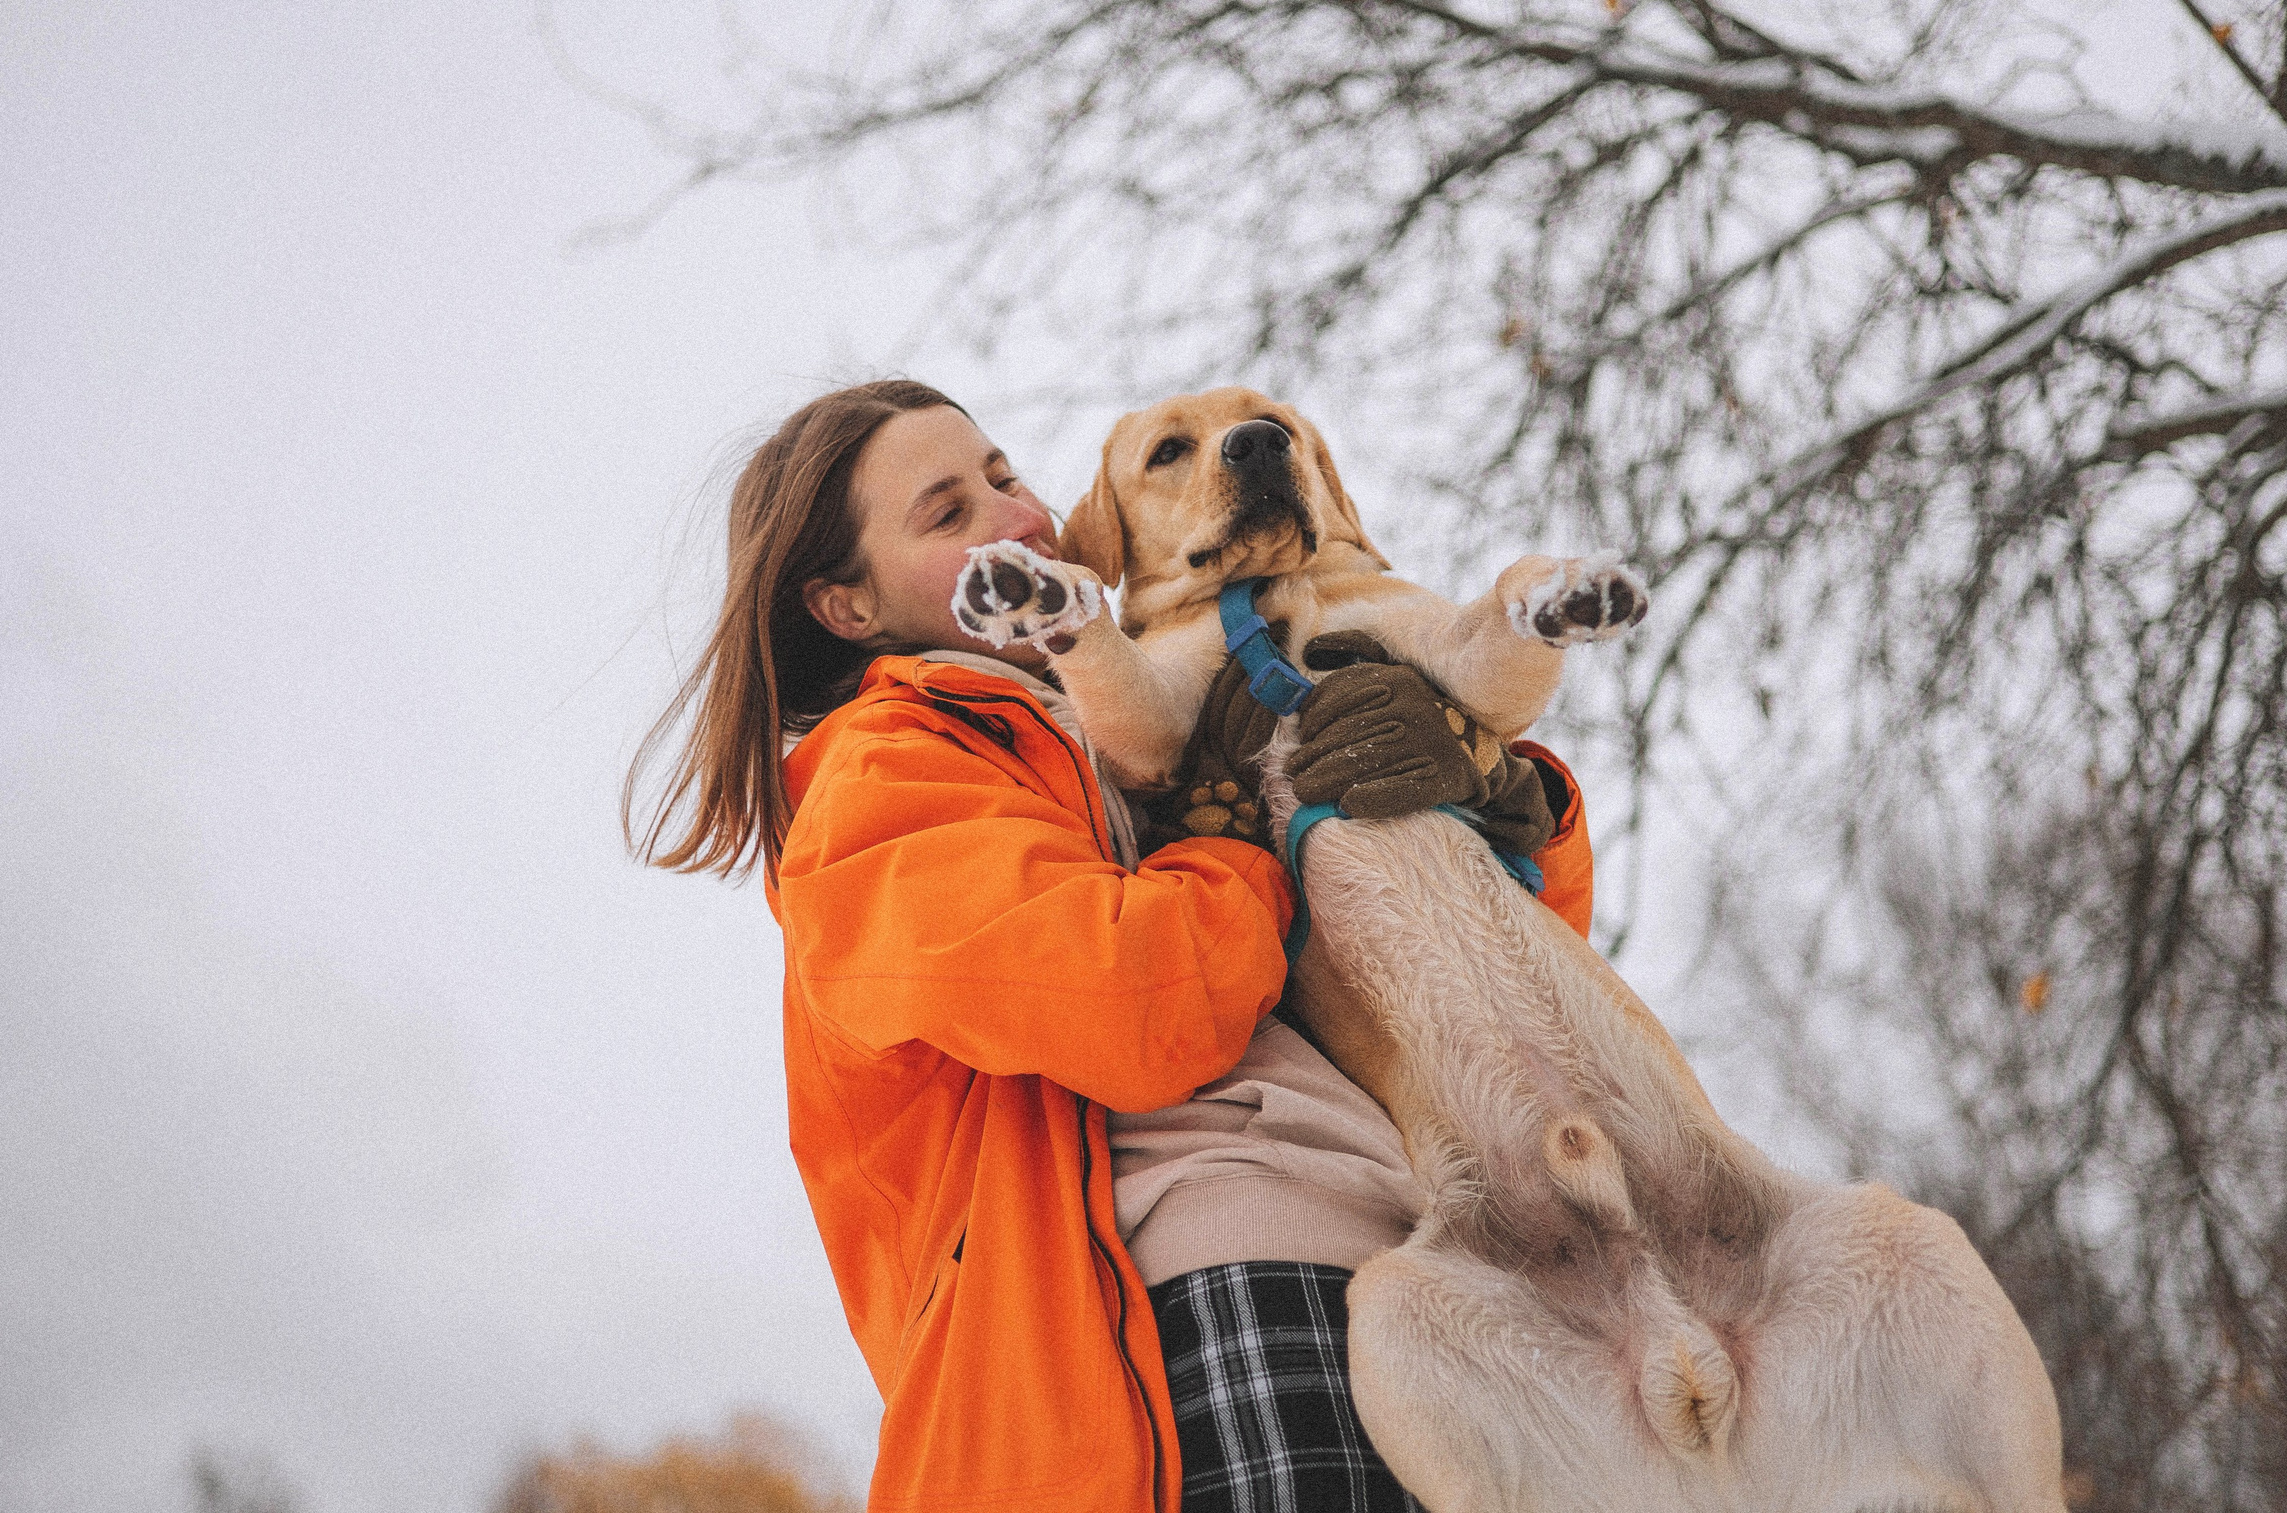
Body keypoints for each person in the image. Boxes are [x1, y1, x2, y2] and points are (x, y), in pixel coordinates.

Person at [628, 379, 1596, 1513]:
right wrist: (1239, 826)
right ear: (846, 606)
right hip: (1208, 1298)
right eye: (948, 515)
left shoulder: (1102, 724)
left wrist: (1503, 803)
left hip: (1436, 1262)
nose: (1019, 521)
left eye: (1004, 478)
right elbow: (1143, 1000)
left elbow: (1475, 994)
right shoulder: (880, 784)